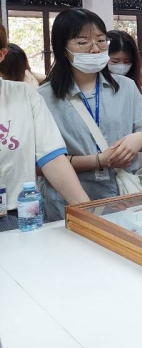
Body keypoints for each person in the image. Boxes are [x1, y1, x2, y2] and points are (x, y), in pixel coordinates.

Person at [38, 8, 142, 220]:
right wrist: (98, 160)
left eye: (101, 41)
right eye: (83, 42)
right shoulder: (43, 97)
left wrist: (140, 138)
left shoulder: (126, 87)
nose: (95, 49)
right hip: (67, 206)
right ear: (62, 48)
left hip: (122, 198)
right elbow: (39, 164)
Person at [0, 24, 90, 231]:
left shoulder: (24, 95)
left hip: (14, 216)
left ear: (1, 55)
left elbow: (52, 157)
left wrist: (87, 213)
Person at [107, 30, 142, 119]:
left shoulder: (133, 87)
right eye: (115, 61)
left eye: (127, 61)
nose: (121, 66)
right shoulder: (94, 86)